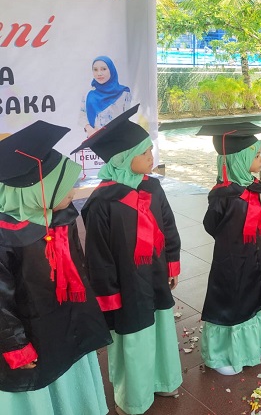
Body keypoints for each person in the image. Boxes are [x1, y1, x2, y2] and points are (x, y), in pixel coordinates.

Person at [75, 106, 182, 415]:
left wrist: (172, 262)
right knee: (133, 336)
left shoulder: (152, 186)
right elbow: (99, 257)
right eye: (144, 151)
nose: (151, 156)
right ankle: (134, 396)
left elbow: (169, 226)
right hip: (126, 283)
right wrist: (108, 295)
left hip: (156, 273)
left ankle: (164, 378)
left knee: (160, 325)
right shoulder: (102, 204)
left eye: (151, 149)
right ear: (122, 158)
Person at [0, 121, 111, 414]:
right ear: (38, 192)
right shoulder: (5, 238)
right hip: (31, 337)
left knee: (71, 378)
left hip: (65, 323)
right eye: (66, 188)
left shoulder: (60, 219)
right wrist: (15, 347)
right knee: (43, 393)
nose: (74, 194)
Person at [196, 123, 261, 375]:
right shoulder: (223, 196)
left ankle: (254, 343)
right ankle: (222, 354)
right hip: (229, 258)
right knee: (232, 295)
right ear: (239, 160)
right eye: (255, 155)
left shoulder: (249, 187)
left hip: (251, 253)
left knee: (253, 287)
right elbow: (211, 224)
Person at [79, 56, 132, 136]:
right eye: (95, 70)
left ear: (111, 70)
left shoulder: (124, 93)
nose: (99, 73)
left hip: (118, 140)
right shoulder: (88, 94)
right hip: (94, 140)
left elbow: (126, 119)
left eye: (103, 69)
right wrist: (89, 129)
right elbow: (82, 115)